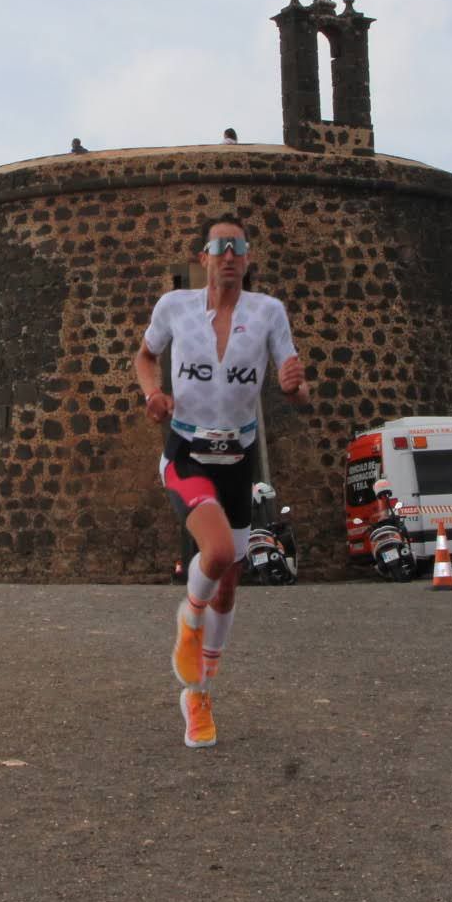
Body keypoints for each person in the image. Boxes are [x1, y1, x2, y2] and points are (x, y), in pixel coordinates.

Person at [134, 214, 309, 749]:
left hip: (239, 456)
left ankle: (199, 695)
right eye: (219, 246)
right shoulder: (175, 307)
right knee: (212, 554)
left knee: (231, 581)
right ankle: (189, 620)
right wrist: (153, 396)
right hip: (187, 451)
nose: (228, 255)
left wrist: (294, 387)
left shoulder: (268, 313)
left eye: (238, 247)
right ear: (205, 257)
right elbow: (145, 357)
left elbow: (297, 389)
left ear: (248, 258)